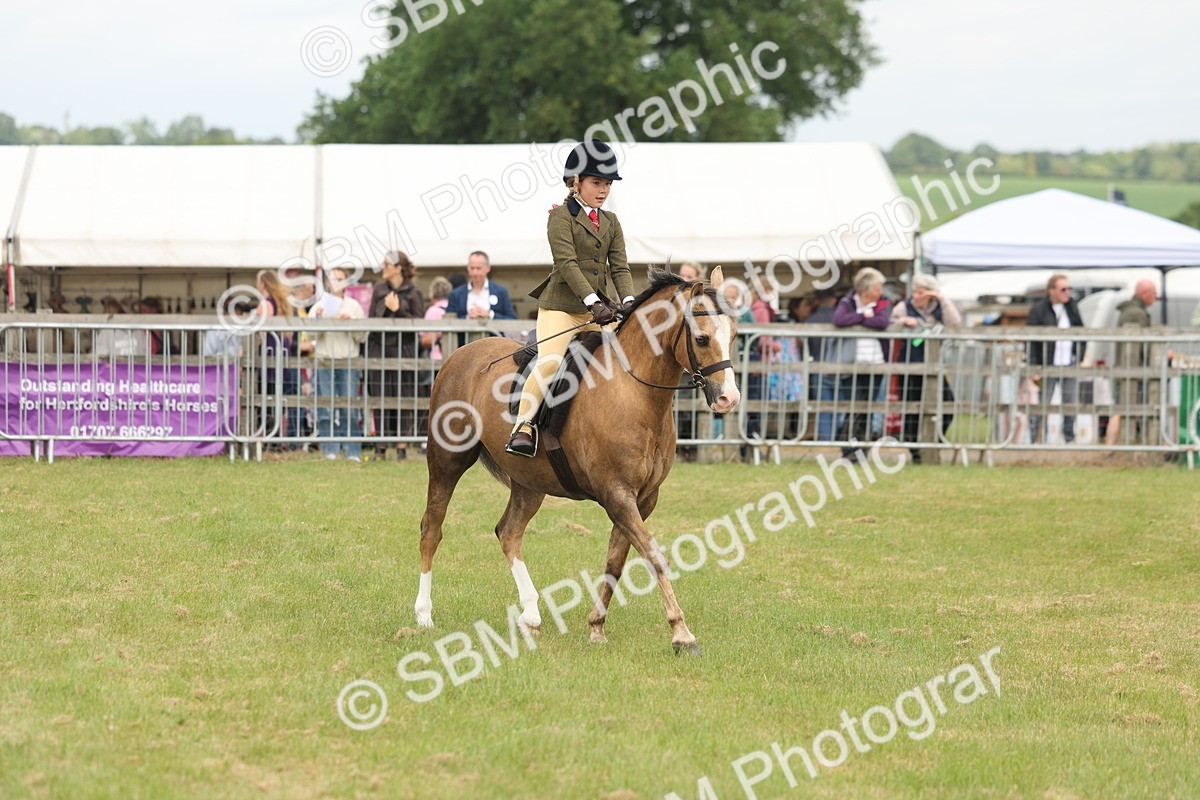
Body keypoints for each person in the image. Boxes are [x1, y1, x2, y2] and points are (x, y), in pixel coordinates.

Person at [506, 139, 634, 457]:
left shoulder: (611, 222)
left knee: (623, 361)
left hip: (600, 310)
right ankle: (523, 426)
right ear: (575, 182)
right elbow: (567, 264)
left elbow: (619, 267)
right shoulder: (560, 217)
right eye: (596, 182)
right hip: (562, 307)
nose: (603, 190)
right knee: (549, 363)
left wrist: (630, 301)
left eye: (607, 184)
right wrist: (592, 301)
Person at [891, 274, 962, 463]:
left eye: (921, 292)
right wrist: (903, 322)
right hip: (910, 366)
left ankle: (934, 444)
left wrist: (941, 298)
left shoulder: (939, 306)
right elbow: (888, 324)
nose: (916, 295)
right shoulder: (903, 307)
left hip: (935, 367)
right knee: (911, 411)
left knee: (949, 405)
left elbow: (955, 322)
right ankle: (916, 453)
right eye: (914, 291)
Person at [367, 250, 426, 460]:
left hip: (404, 349)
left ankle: (402, 446)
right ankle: (380, 446)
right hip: (380, 348)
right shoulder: (379, 289)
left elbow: (419, 322)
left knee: (403, 395)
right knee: (381, 395)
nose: (383, 268)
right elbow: (372, 318)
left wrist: (399, 309)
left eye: (386, 264)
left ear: (398, 268)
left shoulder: (414, 292)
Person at [833, 267, 891, 455]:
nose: (880, 292)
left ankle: (862, 450)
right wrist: (862, 316)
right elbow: (840, 319)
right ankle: (848, 449)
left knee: (868, 407)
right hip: (852, 364)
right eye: (877, 288)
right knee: (851, 406)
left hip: (875, 363)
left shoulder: (882, 304)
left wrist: (859, 321)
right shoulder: (848, 302)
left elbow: (882, 322)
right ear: (865, 289)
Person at [312, 267, 367, 461]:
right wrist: (318, 319)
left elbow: (363, 336)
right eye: (334, 278)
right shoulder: (318, 306)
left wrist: (350, 323)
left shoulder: (354, 306)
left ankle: (352, 451)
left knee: (350, 406)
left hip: (348, 361)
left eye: (341, 279)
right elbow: (309, 335)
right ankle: (330, 450)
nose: (337, 282)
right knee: (325, 406)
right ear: (327, 282)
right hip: (324, 361)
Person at [1027, 273, 1084, 444]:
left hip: (1069, 363)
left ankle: (1069, 438)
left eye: (1069, 289)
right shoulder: (1039, 310)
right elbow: (1030, 340)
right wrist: (1033, 367)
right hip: (1046, 365)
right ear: (1051, 290)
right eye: (1063, 289)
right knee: (1042, 404)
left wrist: (1079, 356)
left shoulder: (1072, 308)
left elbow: (1082, 331)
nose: (1067, 292)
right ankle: (1037, 439)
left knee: (1070, 403)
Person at [1107, 279, 1157, 445]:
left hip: (1126, 367)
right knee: (1124, 409)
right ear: (1145, 294)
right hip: (1133, 369)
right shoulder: (1136, 313)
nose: (1156, 298)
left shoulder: (1130, 310)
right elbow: (1143, 345)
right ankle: (1112, 446)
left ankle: (1114, 446)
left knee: (1122, 408)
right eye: (1154, 293)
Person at [255, 270, 295, 445]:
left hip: (268, 357)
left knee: (265, 398)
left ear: (262, 284)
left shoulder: (265, 305)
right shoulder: (283, 304)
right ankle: (276, 438)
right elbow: (290, 335)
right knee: (277, 399)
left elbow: (259, 333)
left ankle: (267, 439)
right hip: (282, 357)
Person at [446, 251, 518, 321]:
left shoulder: (501, 292)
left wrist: (490, 315)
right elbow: (448, 321)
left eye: (478, 268)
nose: (475, 272)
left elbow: (512, 318)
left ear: (488, 268)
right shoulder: (455, 294)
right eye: (472, 268)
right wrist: (468, 318)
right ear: (467, 268)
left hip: (493, 333)